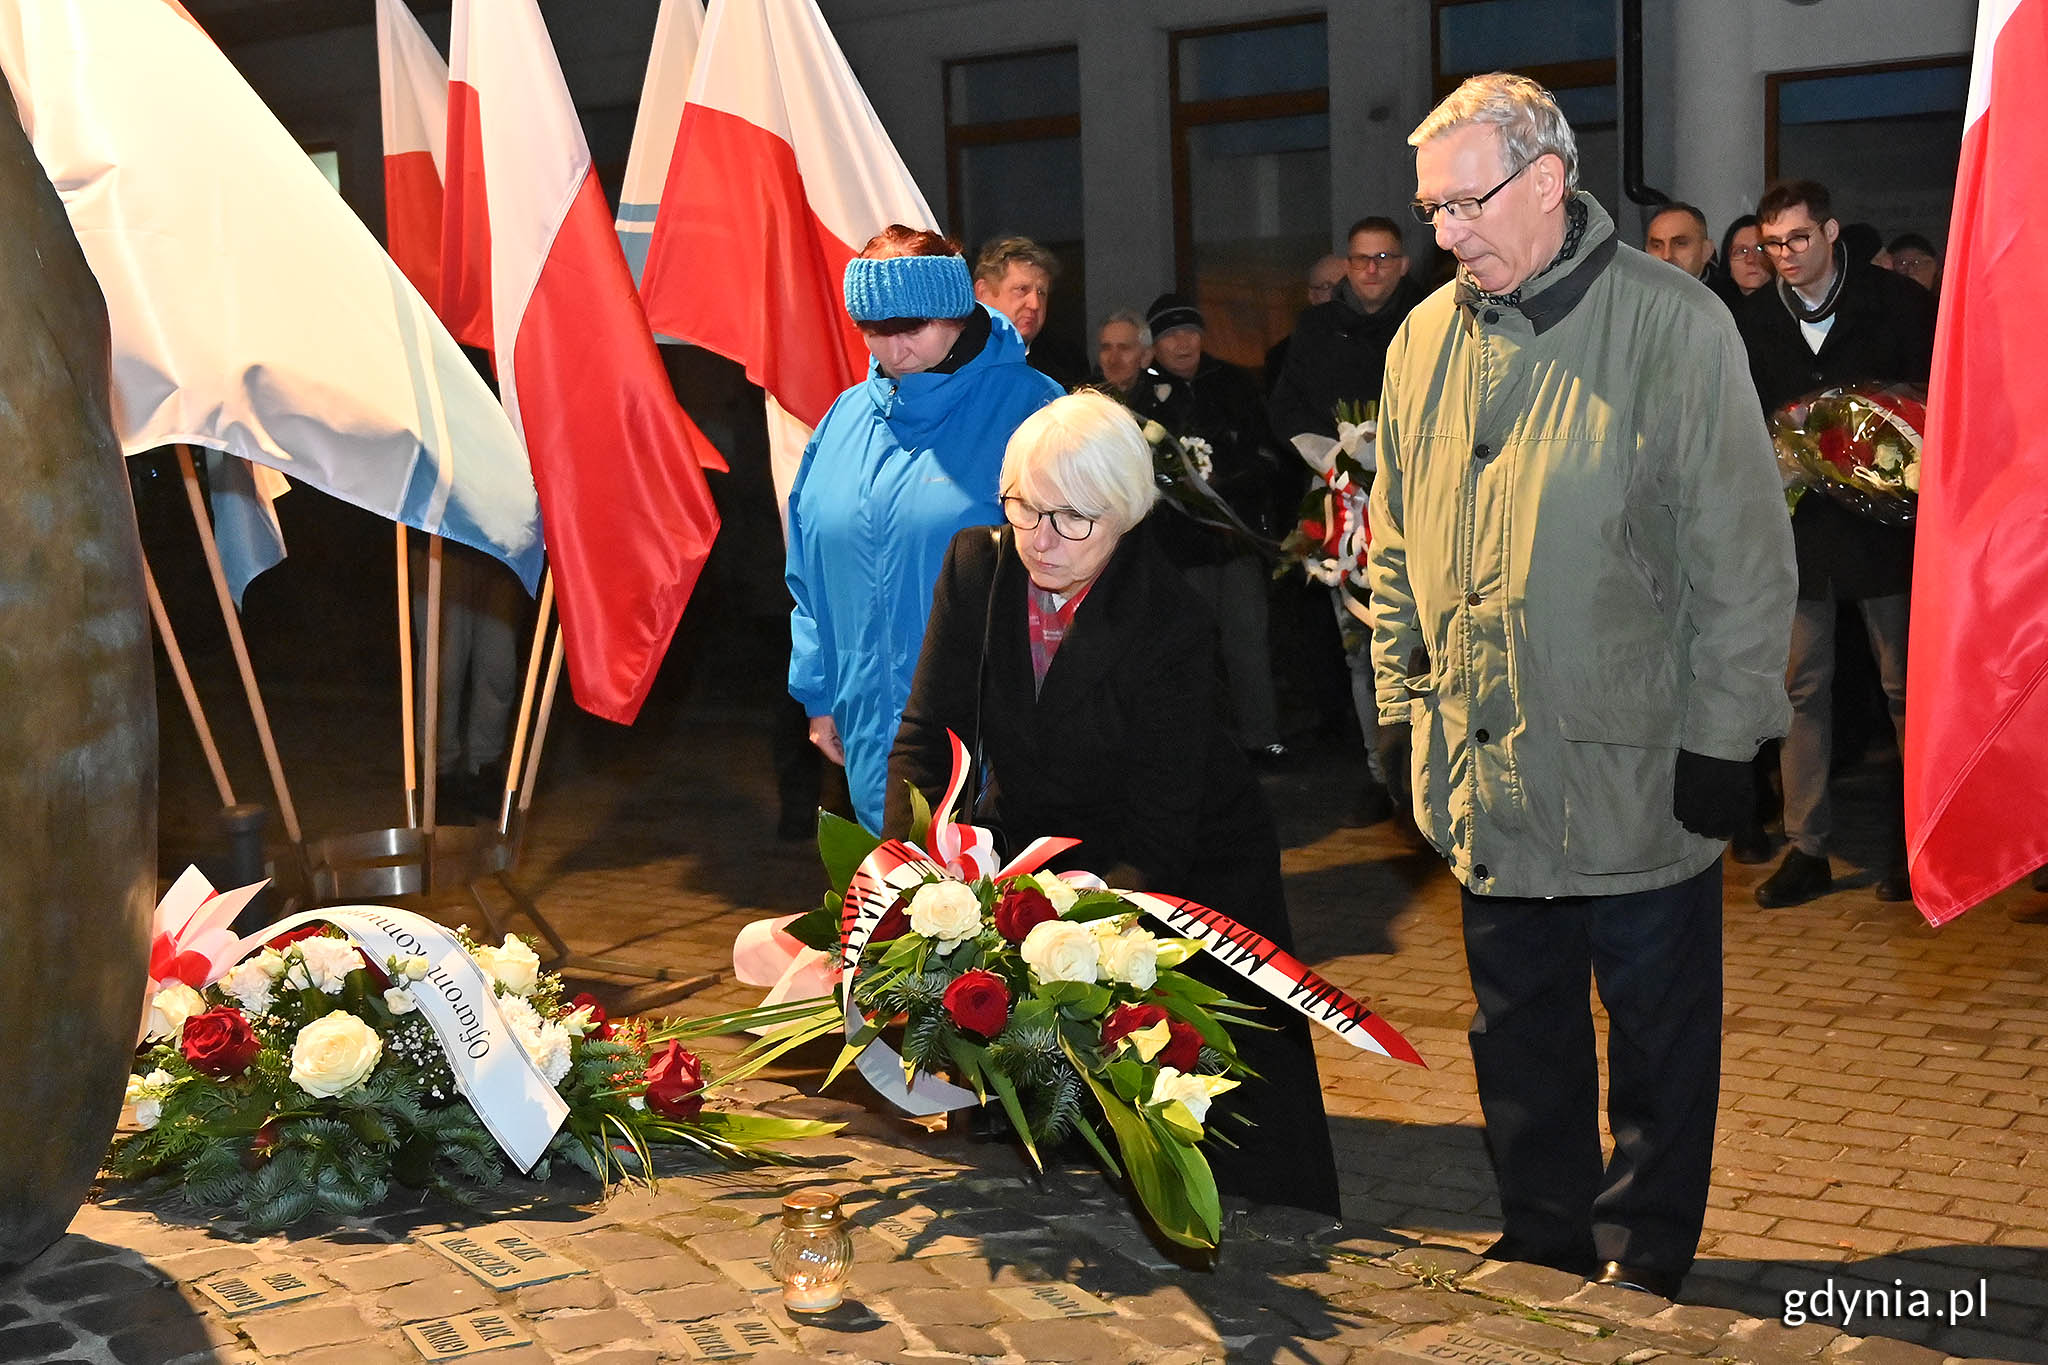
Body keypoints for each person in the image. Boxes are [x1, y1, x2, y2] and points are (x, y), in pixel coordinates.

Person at [1372, 73, 1796, 1298]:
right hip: (1484, 767)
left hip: (1637, 764)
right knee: (1518, 1035)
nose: (1441, 235)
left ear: (1546, 182)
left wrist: (1728, 736)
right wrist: (1406, 714)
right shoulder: (1419, 341)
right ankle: (1543, 1237)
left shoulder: (1672, 324)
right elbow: (1393, 544)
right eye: (1429, 211)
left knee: (1657, 1043)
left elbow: (1739, 553)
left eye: (1462, 206)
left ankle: (1641, 1253)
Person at [886, 391, 1342, 1219]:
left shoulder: (1170, 618)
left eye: (1073, 521)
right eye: (1025, 509)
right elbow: (927, 734)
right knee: (1054, 1088)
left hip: (1187, 857)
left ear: (1125, 514)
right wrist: (901, 878)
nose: (1042, 541)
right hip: (1043, 837)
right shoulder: (977, 568)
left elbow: (1160, 824)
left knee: (1214, 1104)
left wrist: (1069, 933)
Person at [786, 226, 1061, 831]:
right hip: (864, 723)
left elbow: (1081, 567)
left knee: (995, 911)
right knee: (893, 911)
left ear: (956, 313)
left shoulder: (1032, 409)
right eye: (875, 330)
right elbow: (807, 571)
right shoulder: (844, 420)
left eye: (912, 326)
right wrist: (820, 694)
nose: (895, 349)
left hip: (988, 729)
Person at [1736, 180, 1937, 908]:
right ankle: (1807, 846)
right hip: (1799, 535)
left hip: (1890, 533)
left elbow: (1931, 401)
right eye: (1771, 244)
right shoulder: (1753, 319)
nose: (1783, 256)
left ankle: (1920, 844)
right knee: (1800, 688)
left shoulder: (1899, 304)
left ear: (1831, 233)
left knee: (1908, 691)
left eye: (1796, 239)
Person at [1268, 216, 1428, 821]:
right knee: (1361, 644)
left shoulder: (1433, 320)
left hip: (1421, 505)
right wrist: (1336, 461)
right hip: (1343, 509)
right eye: (1361, 259)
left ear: (1403, 263)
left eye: (1384, 259)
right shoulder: (1315, 331)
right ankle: (1381, 773)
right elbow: (1288, 406)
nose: (1371, 271)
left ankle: (1431, 773)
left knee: (1426, 643)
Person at [1127, 293, 1288, 761]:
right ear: (1154, 343)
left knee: (1248, 645)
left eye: (1190, 332)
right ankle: (1197, 746)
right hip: (1177, 549)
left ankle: (1263, 738)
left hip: (1234, 540)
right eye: (1171, 334)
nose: (1182, 343)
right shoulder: (1142, 396)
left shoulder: (1233, 383)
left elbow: (1267, 453)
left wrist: (1228, 483)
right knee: (1188, 653)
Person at [973, 236, 1085, 390]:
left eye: (1041, 293)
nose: (1035, 304)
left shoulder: (1066, 369)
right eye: (1021, 289)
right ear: (983, 292)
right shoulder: (953, 364)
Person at [1644, 201, 1742, 310]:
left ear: (1706, 251)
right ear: (1646, 251)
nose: (1667, 255)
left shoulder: (1731, 305)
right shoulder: (1634, 297)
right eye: (1657, 246)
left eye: (1680, 244)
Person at [1090, 309, 1152, 397]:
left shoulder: (1165, 401)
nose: (1113, 359)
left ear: (1146, 356)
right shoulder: (1083, 400)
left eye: (1124, 348)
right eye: (1106, 348)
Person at [1721, 214, 1772, 295]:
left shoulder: (1792, 304)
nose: (1750, 259)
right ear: (1728, 264)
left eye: (1760, 248)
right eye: (1742, 251)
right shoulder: (1716, 305)